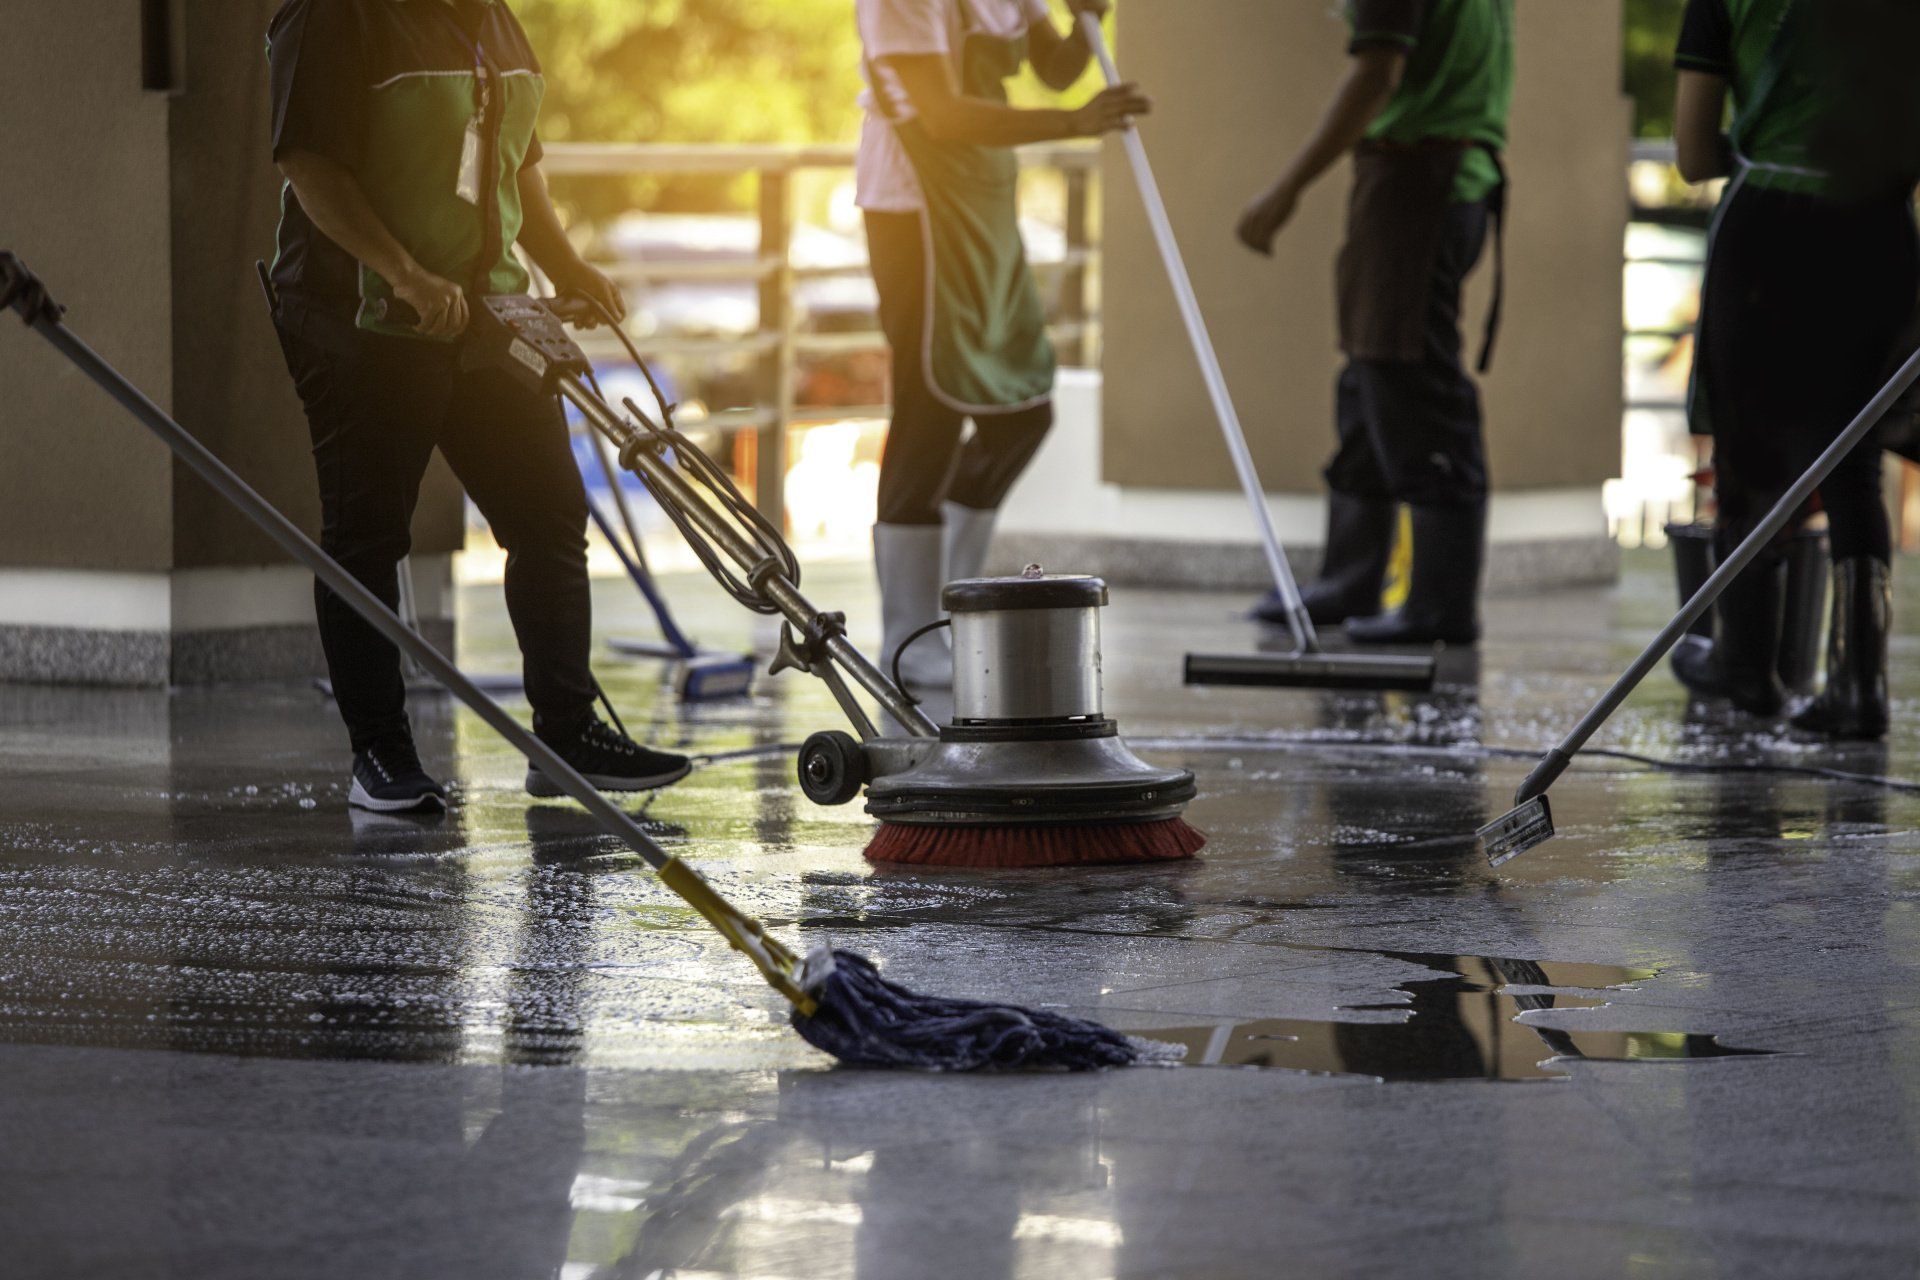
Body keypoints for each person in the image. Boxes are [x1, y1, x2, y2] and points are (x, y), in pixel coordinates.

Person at [265, 0, 691, 812]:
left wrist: (565, 263)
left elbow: (515, 162)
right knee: (367, 537)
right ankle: (379, 757)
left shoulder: (492, 16)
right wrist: (405, 273)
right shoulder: (334, 16)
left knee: (549, 515)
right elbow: (310, 163)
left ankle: (565, 737)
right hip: (362, 319)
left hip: (486, 314)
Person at [856, 0, 1151, 687]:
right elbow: (942, 114)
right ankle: (908, 634)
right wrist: (1077, 123)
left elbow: (1053, 68)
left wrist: (1089, 17)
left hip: (983, 201)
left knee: (1023, 411)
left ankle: (950, 611)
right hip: (915, 207)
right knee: (929, 408)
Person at [1668, 0, 1920, 738]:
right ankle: (1859, 683)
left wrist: (1762, 147)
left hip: (1768, 232)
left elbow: (1689, 153)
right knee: (1854, 454)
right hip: (1877, 229)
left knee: (1748, 452)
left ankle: (1745, 665)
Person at [1238, 0, 1514, 646]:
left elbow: (1376, 76)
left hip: (1420, 180)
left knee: (1410, 375)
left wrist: (1285, 191)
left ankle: (1441, 603)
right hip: (1439, 179)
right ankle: (1352, 576)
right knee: (1370, 374)